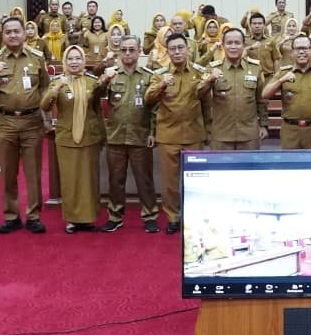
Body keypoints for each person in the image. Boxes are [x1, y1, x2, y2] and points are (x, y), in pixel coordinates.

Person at [0, 16, 50, 234]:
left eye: (16, 31)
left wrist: (46, 117)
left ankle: (33, 216)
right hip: (5, 122)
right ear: (2, 35)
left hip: (32, 121)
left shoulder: (37, 57)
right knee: (8, 173)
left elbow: (44, 88)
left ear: (24, 33)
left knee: (33, 173)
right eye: (8, 32)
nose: (13, 35)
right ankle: (11, 216)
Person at [146, 32, 208, 233]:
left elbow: (207, 102)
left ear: (188, 49)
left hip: (193, 134)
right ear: (167, 51)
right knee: (170, 183)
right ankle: (173, 218)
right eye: (172, 49)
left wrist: (208, 130)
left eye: (181, 47)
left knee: (196, 180)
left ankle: (194, 216)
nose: (177, 52)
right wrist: (162, 84)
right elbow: (148, 99)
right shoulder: (160, 74)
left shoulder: (199, 72)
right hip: (168, 135)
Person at [42, 45, 106, 233]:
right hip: (66, 138)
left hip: (89, 137)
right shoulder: (57, 82)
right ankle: (72, 220)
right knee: (70, 181)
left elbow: (98, 110)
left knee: (89, 180)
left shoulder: (92, 82)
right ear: (65, 61)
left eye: (78, 58)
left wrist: (102, 135)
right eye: (70, 58)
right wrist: (56, 89)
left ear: (83, 61)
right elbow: (44, 105)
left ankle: (89, 218)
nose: (74, 62)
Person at [101, 35, 158, 232]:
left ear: (139, 51)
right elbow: (95, 96)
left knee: (145, 180)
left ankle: (150, 215)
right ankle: (115, 216)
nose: (127, 53)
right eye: (123, 50)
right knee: (115, 180)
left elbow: (155, 108)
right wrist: (104, 78)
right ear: (118, 52)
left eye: (131, 50)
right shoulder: (112, 75)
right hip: (115, 136)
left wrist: (153, 132)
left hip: (140, 135)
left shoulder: (148, 76)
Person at [264, 34, 311, 150]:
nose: (301, 52)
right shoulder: (283, 73)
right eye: (298, 49)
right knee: (290, 161)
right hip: (290, 131)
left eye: (305, 48)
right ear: (291, 53)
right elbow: (265, 94)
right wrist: (281, 80)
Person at [202, 27, 268, 150]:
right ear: (223, 45)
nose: (233, 46)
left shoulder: (255, 68)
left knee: (250, 162)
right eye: (229, 43)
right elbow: (199, 94)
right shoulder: (212, 68)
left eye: (237, 43)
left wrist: (263, 125)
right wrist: (209, 80)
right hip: (221, 135)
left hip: (249, 135)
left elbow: (261, 99)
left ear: (243, 45)